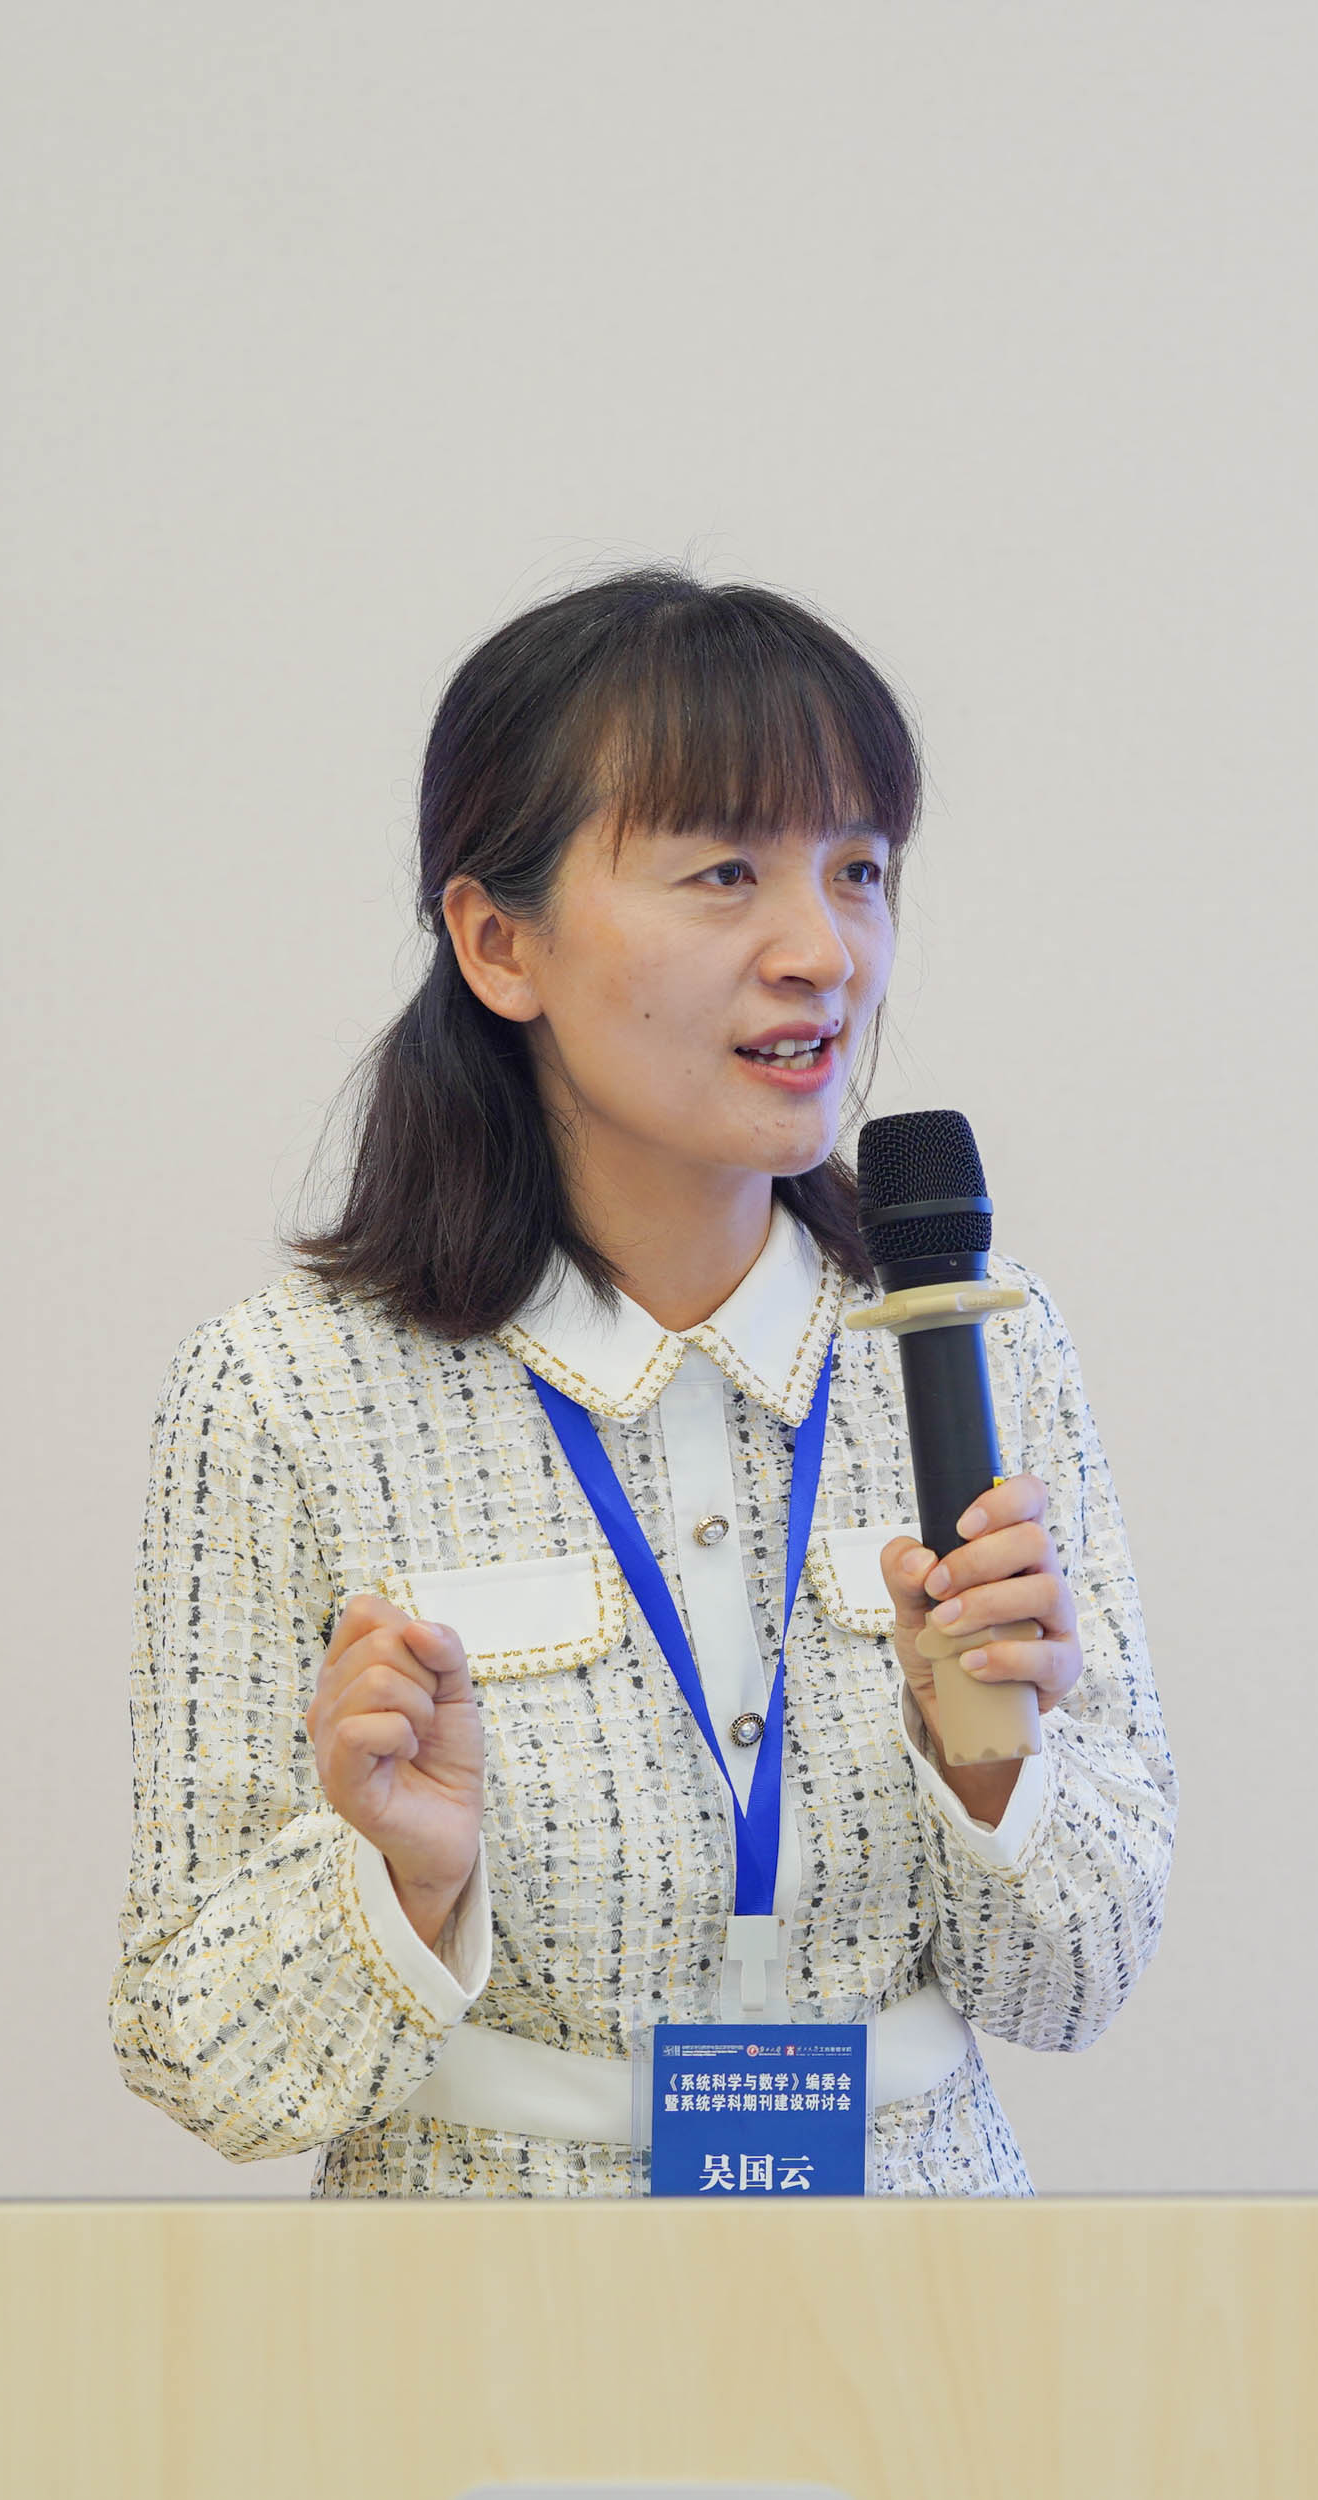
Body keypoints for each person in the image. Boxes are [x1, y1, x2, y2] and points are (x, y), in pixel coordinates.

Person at [110, 571, 1175, 2194]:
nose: (821, 951)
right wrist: (397, 1880)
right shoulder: (286, 1390)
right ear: (498, 942)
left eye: (858, 870)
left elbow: (1077, 1984)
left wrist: (989, 1758)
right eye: (725, 872)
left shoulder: (979, 1334)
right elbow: (208, 2065)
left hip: (922, 2297)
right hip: (476, 2300)